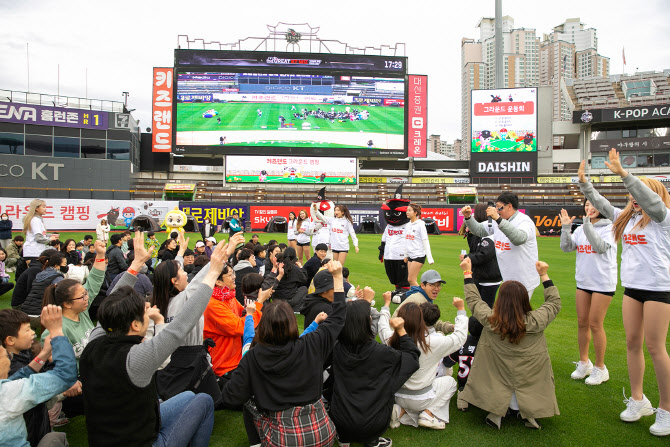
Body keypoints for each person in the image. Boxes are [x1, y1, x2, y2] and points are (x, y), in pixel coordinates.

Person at [78, 236, 231, 447]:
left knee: (187, 396)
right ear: (134, 325)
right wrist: (213, 272)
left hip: (108, 434)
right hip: (142, 442)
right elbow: (181, 325)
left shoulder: (94, 342)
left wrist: (135, 265)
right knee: (204, 400)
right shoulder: (137, 359)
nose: (149, 312)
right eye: (145, 313)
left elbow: (110, 303)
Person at [578, 150, 670, 436]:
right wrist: (584, 184)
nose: (634, 199)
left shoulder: (662, 217)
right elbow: (601, 204)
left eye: (638, 194)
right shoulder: (626, 219)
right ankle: (638, 400)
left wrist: (624, 175)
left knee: (655, 347)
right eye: (632, 195)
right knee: (632, 343)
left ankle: (666, 410)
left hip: (659, 289)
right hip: (633, 289)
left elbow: (651, 201)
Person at [220, 261, 346, 447]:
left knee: (249, 404)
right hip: (321, 433)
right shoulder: (311, 343)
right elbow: (338, 316)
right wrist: (337, 277)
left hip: (283, 438)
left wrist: (254, 386)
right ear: (293, 324)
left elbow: (232, 396)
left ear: (263, 328)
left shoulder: (255, 357)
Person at [459, 257, 560, 429]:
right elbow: (554, 303)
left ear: (501, 300)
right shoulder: (537, 320)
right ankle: (525, 414)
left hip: (502, 376)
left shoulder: (492, 320)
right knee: (517, 376)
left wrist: (467, 273)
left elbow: (474, 301)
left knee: (501, 373)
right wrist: (544, 275)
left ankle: (498, 412)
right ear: (524, 300)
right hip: (527, 377)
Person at [330, 299, 420, 447]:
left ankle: (344, 437)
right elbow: (412, 360)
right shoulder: (383, 353)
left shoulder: (336, 348)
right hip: (373, 422)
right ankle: (372, 441)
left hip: (340, 418)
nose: (372, 318)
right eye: (369, 316)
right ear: (364, 323)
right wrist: (401, 331)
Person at [379, 293, 467, 430]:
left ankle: (401, 411)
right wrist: (461, 310)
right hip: (421, 398)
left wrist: (386, 305)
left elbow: (383, 326)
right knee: (451, 383)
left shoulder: (391, 338)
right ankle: (427, 413)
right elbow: (460, 338)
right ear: (421, 320)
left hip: (396, 395)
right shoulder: (433, 342)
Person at [0, 306, 78, 447]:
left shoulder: (7, 386)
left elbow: (18, 378)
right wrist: (56, 331)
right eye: (4, 355)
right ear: (10, 340)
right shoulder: (8, 393)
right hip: (33, 433)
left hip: (37, 426)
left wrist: (44, 354)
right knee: (55, 439)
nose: (7, 356)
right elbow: (65, 375)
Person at [560, 200, 617, 386]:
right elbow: (566, 247)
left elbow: (600, 247)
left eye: (593, 205)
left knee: (595, 324)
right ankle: (584, 363)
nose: (589, 208)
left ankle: (601, 368)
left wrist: (587, 226)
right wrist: (566, 228)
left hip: (602, 283)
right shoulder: (581, 228)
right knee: (582, 322)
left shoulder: (611, 228)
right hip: (583, 281)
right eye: (586, 205)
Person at [462, 192, 539, 299]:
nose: (497, 210)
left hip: (523, 279)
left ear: (509, 206)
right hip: (508, 279)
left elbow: (519, 239)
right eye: (496, 207)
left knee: (516, 314)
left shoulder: (524, 221)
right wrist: (468, 217)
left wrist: (498, 219)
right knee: (506, 313)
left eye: (499, 208)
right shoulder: (498, 221)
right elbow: (478, 230)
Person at [204, 271, 268, 382]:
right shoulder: (213, 304)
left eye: (233, 273)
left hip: (237, 359)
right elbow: (240, 326)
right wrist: (260, 302)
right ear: (218, 281)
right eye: (229, 275)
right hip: (225, 366)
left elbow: (244, 313)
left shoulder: (227, 296)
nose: (234, 277)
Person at [459, 203, 502, 308]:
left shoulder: (490, 231)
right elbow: (474, 249)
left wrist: (467, 257)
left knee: (486, 308)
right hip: (480, 275)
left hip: (489, 277)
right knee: (478, 307)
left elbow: (484, 254)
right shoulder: (478, 231)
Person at [442, 316, 484, 411]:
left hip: (464, 382)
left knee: (463, 385)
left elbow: (447, 362)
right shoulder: (487, 344)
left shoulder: (462, 342)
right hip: (482, 384)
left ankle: (462, 397)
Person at [20, 252, 67, 322]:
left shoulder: (40, 274)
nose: (66, 266)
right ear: (57, 266)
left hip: (25, 312)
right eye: (65, 264)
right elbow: (62, 296)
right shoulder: (57, 277)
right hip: (39, 315)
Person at [404, 203, 434, 286]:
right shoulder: (407, 225)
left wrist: (430, 258)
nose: (407, 212)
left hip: (419, 255)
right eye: (407, 210)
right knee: (411, 280)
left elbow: (425, 241)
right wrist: (406, 255)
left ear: (415, 212)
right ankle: (414, 297)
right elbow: (407, 241)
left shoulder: (420, 225)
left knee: (411, 279)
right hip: (411, 255)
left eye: (409, 210)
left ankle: (423, 297)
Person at [272, 247, 308, 311]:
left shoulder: (278, 266)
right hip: (289, 299)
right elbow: (304, 280)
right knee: (304, 288)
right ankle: (296, 308)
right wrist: (301, 268)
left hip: (276, 298)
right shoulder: (295, 268)